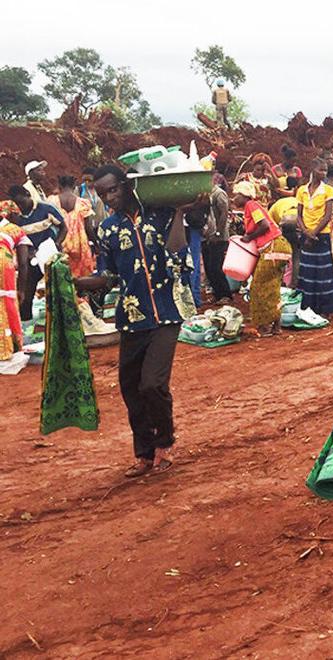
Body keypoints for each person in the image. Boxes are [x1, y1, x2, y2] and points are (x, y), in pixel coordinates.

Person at [74, 164, 198, 478]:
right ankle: (144, 453)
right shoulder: (107, 229)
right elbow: (108, 275)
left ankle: (164, 444)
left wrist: (179, 212)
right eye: (102, 194)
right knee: (131, 388)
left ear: (127, 185)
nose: (108, 198)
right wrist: (75, 282)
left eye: (113, 190)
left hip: (167, 313)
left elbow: (178, 253)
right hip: (131, 317)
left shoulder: (160, 215)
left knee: (153, 384)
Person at [230, 181, 292, 335]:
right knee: (272, 287)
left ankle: (264, 325)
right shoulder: (252, 207)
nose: (234, 198)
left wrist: (249, 237)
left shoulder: (251, 205)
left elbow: (264, 225)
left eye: (236, 195)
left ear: (245, 196)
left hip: (273, 248)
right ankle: (276, 324)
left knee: (259, 287)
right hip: (278, 248)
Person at [295, 158, 333, 318]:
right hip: (307, 236)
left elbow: (327, 216)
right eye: (321, 170)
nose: (323, 173)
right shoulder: (302, 190)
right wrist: (306, 232)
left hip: (321, 236)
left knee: (323, 273)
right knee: (307, 272)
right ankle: (308, 306)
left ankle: (325, 308)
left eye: (325, 170)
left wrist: (313, 233)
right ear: (313, 170)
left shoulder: (328, 190)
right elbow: (299, 215)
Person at [9, 185, 66, 321]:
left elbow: (63, 227)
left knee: (57, 291)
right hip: (30, 260)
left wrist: (57, 244)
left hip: (50, 257)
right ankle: (26, 322)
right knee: (26, 293)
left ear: (28, 194)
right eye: (17, 204)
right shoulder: (16, 218)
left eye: (21, 202)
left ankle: (61, 321)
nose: (20, 207)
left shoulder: (46, 209)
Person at [47, 176, 96, 279]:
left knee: (60, 277)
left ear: (59, 186)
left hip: (59, 242)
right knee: (80, 278)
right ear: (74, 186)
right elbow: (88, 227)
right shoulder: (83, 203)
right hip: (80, 245)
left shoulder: (52, 201)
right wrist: (96, 243)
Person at [0, 204, 30, 360]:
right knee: (8, 301)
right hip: (4, 266)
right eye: (18, 215)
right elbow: (23, 263)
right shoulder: (16, 230)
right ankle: (12, 344)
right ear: (10, 215)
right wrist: (22, 290)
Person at [202, 174, 232, 303]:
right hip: (207, 236)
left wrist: (218, 233)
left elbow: (224, 213)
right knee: (209, 268)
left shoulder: (219, 194)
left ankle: (226, 294)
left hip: (219, 238)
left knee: (216, 267)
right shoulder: (206, 194)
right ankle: (217, 294)